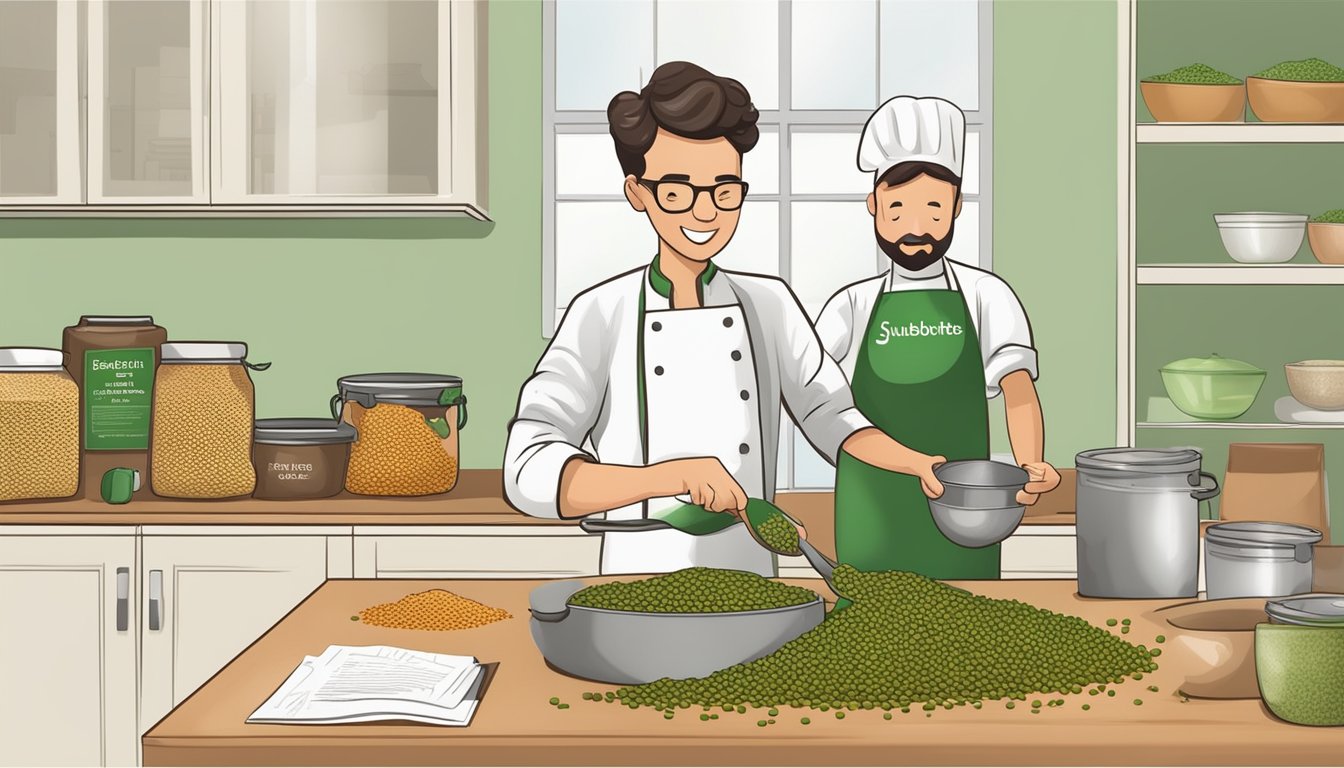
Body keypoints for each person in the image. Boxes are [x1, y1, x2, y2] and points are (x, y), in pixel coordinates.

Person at [504, 63, 943, 577]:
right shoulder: (602, 312)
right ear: (638, 193)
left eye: (724, 189)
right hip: (637, 569)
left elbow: (832, 416)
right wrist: (668, 477)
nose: (705, 212)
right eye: (676, 191)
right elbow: (527, 468)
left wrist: (915, 463)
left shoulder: (769, 304)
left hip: (752, 561)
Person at [817, 95, 1062, 581]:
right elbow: (817, 403)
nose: (915, 228)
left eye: (933, 209)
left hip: (967, 513)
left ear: (957, 207)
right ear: (873, 206)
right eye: (898, 208)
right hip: (874, 511)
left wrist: (1031, 464)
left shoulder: (985, 293)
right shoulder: (851, 306)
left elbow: (1017, 392)